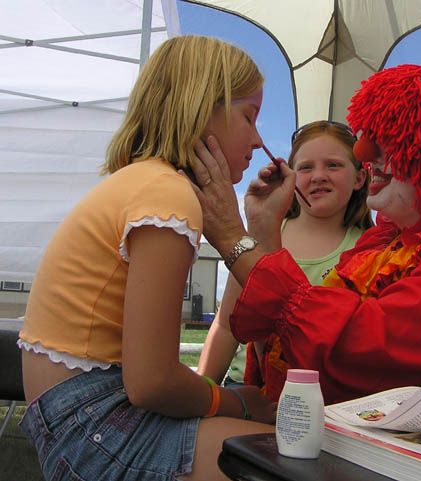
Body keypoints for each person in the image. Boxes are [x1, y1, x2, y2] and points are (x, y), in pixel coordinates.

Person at [188, 64, 421, 406]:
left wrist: (231, 237)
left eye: (387, 138)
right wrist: (264, 231)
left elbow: (355, 346)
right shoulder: (382, 246)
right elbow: (291, 342)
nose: (363, 152)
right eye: (367, 137)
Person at [18, 36, 276, 481]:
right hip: (96, 424)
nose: (258, 139)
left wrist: (259, 224)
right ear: (200, 107)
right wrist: (236, 401)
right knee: (285, 458)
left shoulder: (142, 182)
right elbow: (153, 381)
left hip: (73, 414)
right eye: (249, 116)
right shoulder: (168, 196)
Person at [197, 120, 373, 396]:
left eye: (333, 165)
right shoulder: (261, 236)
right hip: (249, 390)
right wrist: (203, 393)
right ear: (289, 176)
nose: (318, 176)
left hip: (324, 399)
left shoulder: (369, 249)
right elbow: (225, 325)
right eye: (305, 167)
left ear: (360, 178)